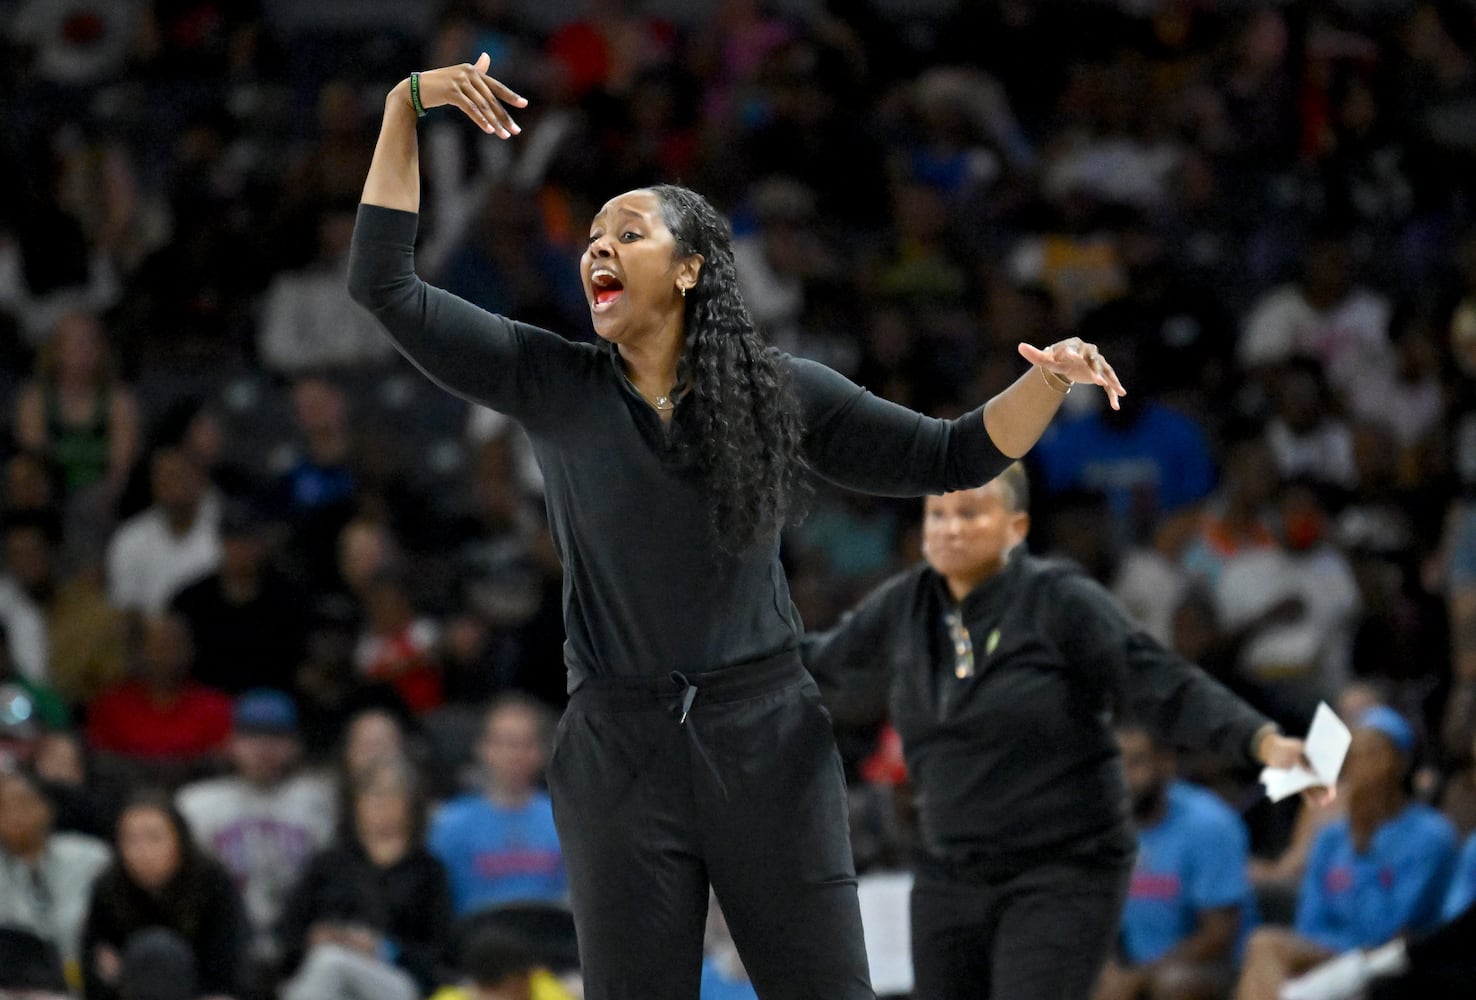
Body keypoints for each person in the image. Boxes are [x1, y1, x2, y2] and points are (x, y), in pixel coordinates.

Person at [348, 54, 1125, 1000]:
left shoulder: (779, 391)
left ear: (688, 268)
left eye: (626, 234)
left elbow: (953, 456)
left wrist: (1047, 378)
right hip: (618, 747)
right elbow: (385, 285)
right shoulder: (551, 383)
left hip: (766, 741)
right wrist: (404, 106)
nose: (597, 248)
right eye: (592, 236)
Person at [799, 465, 1311, 1000]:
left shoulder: (1060, 602)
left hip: (1053, 870)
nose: (951, 529)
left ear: (1014, 528)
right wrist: (722, 651)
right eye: (940, 515)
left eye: (970, 515)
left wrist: (1258, 739)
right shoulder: (907, 605)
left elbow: (1162, 681)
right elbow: (820, 660)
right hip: (949, 871)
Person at [1232, 705, 1458, 1000]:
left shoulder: (1431, 835)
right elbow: (1309, 920)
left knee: (1266, 948)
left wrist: (1365, 846)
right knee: (1266, 957)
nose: (1362, 768)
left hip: (1392, 962)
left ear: (1402, 763)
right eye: (1354, 758)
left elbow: (1391, 929)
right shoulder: (1332, 837)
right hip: (1328, 955)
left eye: (1373, 755)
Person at [1094, 724, 1256, 1000]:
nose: (1123, 775)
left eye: (1136, 761)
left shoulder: (1208, 824)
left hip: (1213, 969)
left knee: (1174, 986)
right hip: (1134, 963)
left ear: (1166, 763)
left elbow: (1219, 935)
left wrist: (1140, 976)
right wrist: (1108, 971)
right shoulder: (1106, 827)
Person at [174, 688, 336, 965]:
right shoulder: (196, 803)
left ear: (296, 744)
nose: (263, 749)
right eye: (252, 737)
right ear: (231, 743)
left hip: (302, 944)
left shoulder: (323, 800)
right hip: (224, 945)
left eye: (275, 737)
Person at [274, 754, 454, 1000]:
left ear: (412, 803)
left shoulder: (428, 870)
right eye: (371, 792)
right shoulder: (328, 863)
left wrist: (383, 949)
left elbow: (440, 952)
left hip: (396, 981)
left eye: (392, 792)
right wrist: (316, 937)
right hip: (325, 977)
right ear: (355, 802)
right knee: (326, 964)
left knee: (331, 962)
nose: (381, 802)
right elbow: (286, 932)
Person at [80, 789, 251, 1000]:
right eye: (130, 839)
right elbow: (94, 963)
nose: (141, 851)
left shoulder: (213, 882)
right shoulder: (108, 887)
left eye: (154, 838)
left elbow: (232, 960)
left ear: (179, 840)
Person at [429, 694, 565, 916]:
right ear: (483, 748)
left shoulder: (566, 820)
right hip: (475, 940)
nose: (515, 755)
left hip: (552, 937)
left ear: (541, 752)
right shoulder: (447, 824)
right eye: (506, 743)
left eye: (525, 744)